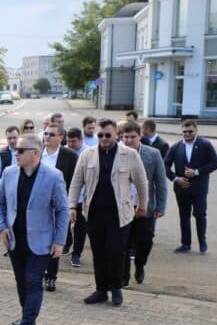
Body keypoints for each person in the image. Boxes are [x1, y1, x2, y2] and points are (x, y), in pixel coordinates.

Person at [0, 135, 68, 325]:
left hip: (41, 240)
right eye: (15, 149)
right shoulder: (9, 173)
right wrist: (1, 228)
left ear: (35, 153)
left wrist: (60, 241)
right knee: (21, 282)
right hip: (15, 240)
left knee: (33, 281)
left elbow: (62, 210)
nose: (15, 153)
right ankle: (26, 317)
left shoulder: (53, 176)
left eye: (19, 150)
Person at [68, 118, 148, 307]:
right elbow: (76, 181)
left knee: (115, 252)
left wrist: (142, 206)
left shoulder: (129, 155)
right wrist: (72, 205)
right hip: (94, 213)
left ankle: (116, 288)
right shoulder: (87, 155)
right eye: (100, 135)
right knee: (98, 252)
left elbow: (141, 182)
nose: (104, 138)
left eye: (108, 135)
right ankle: (101, 290)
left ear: (116, 135)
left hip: (120, 214)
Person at [119, 122, 167, 286]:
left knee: (145, 241)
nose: (129, 140)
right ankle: (123, 277)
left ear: (140, 136)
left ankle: (140, 265)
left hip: (144, 207)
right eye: (126, 137)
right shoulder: (117, 153)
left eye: (132, 137)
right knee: (123, 242)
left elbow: (160, 182)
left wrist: (160, 207)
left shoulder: (153, 154)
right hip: (122, 207)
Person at [163, 119, 217, 254]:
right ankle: (185, 243)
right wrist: (175, 178)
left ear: (196, 130)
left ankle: (202, 241)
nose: (187, 134)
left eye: (190, 131)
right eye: (184, 132)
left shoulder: (205, 144)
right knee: (184, 216)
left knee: (200, 214)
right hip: (181, 188)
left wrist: (197, 172)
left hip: (199, 188)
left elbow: (215, 163)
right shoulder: (176, 147)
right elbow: (164, 166)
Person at [39, 124, 78, 291]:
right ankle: (37, 273)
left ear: (61, 137)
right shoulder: (37, 152)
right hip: (38, 205)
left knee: (54, 241)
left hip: (59, 205)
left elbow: (77, 181)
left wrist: (73, 205)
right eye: (46, 133)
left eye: (52, 134)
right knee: (39, 240)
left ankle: (50, 276)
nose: (47, 137)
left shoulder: (69, 155)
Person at [65, 128, 87, 267]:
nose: (71, 144)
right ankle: (66, 244)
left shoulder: (88, 153)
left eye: (74, 141)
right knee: (63, 223)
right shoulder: (65, 152)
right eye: (68, 141)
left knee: (80, 227)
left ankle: (76, 253)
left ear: (81, 140)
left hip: (83, 198)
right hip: (66, 195)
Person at [0, 125, 20, 197]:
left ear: (19, 137)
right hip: (6, 190)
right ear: (6, 139)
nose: (12, 140)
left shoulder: (25, 151)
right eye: (9, 138)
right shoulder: (1, 154)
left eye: (14, 138)